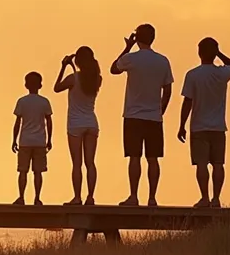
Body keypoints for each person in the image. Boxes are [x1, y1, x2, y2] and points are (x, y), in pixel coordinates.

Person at [109, 24, 173, 206]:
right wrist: (161, 110)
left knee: (134, 157)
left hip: (133, 116)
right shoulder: (163, 61)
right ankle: (152, 198)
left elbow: (113, 69)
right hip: (154, 116)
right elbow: (167, 89)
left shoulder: (131, 58)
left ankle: (134, 196)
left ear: (137, 38)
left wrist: (127, 46)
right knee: (153, 159)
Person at [178, 38, 230, 208]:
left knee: (202, 164)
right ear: (214, 53)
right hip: (218, 126)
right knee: (218, 164)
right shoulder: (222, 73)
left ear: (199, 52)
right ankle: (216, 199)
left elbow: (187, 102)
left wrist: (181, 125)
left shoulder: (193, 75)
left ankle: (204, 198)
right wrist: (219, 53)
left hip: (199, 126)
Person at [53, 46, 101, 205]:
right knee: (90, 163)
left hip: (75, 124)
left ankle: (77, 197)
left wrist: (64, 66)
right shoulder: (96, 79)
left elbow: (56, 87)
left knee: (77, 164)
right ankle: (90, 197)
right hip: (91, 122)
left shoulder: (73, 78)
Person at [11, 72, 54, 205]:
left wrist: (14, 139)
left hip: (25, 141)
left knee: (23, 171)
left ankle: (21, 197)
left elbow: (18, 122)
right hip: (40, 141)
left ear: (26, 85)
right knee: (38, 172)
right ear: (40, 85)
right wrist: (49, 139)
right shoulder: (44, 102)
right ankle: (37, 198)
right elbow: (49, 121)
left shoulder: (22, 101)